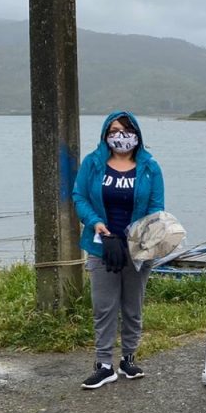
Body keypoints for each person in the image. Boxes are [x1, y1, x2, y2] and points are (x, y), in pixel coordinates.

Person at [73, 112, 164, 390]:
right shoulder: (93, 163)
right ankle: (103, 364)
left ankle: (128, 358)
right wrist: (97, 223)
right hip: (102, 247)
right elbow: (79, 196)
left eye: (126, 130)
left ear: (136, 134)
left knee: (132, 305)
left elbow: (156, 206)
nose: (120, 136)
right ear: (105, 134)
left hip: (137, 249)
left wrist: (135, 239)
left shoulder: (149, 166)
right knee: (104, 306)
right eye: (114, 130)